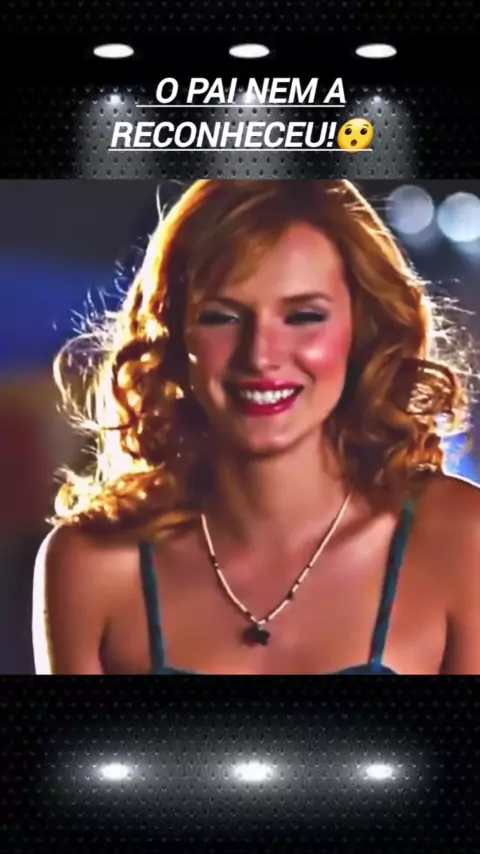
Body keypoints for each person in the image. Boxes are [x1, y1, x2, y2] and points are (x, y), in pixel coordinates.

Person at [32, 179, 480, 676]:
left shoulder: (461, 540)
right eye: (222, 317)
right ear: (173, 335)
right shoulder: (92, 566)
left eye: (304, 316)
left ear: (363, 330)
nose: (260, 355)